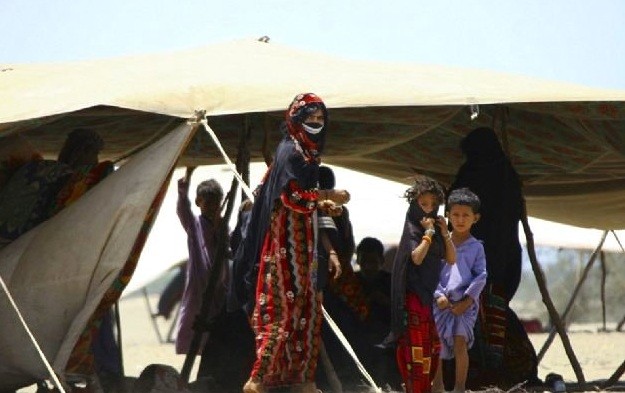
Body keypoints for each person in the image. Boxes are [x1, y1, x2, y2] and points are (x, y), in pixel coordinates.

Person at [232, 93, 349, 393]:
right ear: (296, 120)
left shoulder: (306, 154)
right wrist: (328, 196)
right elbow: (291, 197)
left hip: (303, 247)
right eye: (309, 119)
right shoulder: (292, 152)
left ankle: (301, 381)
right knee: (282, 312)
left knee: (307, 312)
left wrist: (324, 206)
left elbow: (298, 198)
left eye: (320, 119)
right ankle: (257, 380)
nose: (315, 124)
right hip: (284, 247)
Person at [449, 127, 539, 388]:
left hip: (483, 261)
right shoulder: (507, 175)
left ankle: (483, 372)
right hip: (503, 260)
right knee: (492, 313)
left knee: (483, 315)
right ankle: (489, 371)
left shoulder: (472, 174)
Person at [387, 176, 456, 393]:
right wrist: (428, 234)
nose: (428, 210)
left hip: (430, 299)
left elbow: (451, 258)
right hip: (413, 299)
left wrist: (444, 233)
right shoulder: (413, 230)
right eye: (423, 204)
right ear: (414, 204)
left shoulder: (436, 232)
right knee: (415, 349)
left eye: (433, 205)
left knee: (431, 348)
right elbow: (416, 258)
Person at [431, 188, 487, 393]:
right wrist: (438, 295)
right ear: (447, 215)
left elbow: (481, 276)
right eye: (455, 214)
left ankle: (459, 387)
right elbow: (432, 273)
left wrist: (467, 301)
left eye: (466, 215)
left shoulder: (476, 247)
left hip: (464, 305)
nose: (460, 219)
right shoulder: (439, 244)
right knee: (436, 344)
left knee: (460, 344)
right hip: (441, 302)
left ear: (476, 218)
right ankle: (437, 385)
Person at [175, 167, 226, 355]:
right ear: (199, 202)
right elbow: (182, 206)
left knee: (215, 327)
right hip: (199, 284)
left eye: (216, 203)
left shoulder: (222, 225)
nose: (213, 207)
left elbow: (228, 248)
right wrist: (188, 175)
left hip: (219, 284)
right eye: (208, 203)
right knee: (194, 322)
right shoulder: (193, 223)